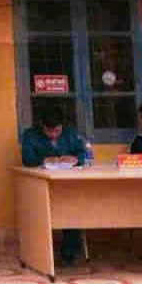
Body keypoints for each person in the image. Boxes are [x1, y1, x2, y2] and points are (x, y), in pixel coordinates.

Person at [20, 109, 87, 266]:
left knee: (71, 211)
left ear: (62, 126)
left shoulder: (71, 133)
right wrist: (43, 160)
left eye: (57, 131)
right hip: (40, 186)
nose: (53, 135)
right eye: (49, 131)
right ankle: (39, 255)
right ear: (42, 126)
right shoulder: (30, 135)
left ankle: (69, 253)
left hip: (67, 185)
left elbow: (83, 154)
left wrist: (75, 159)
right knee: (38, 214)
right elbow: (27, 159)